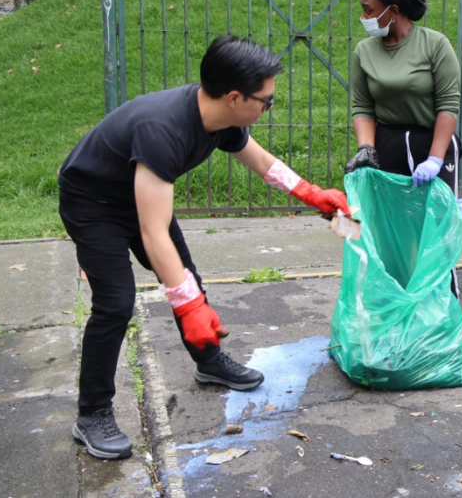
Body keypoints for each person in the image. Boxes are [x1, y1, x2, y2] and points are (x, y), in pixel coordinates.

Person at [58, 36, 350, 461]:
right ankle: (92, 414)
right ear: (234, 97)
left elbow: (264, 163)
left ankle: (208, 360)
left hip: (139, 197)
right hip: (94, 203)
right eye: (265, 100)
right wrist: (188, 304)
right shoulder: (163, 128)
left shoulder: (223, 119)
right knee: (115, 303)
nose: (269, 107)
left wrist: (312, 194)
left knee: (186, 276)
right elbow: (153, 230)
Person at [343, 0, 462, 295]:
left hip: (432, 142)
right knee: (390, 230)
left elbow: (449, 106)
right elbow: (362, 107)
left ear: (392, 10)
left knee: (435, 227)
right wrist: (367, 149)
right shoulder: (364, 52)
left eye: (369, 10)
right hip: (388, 144)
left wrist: (436, 159)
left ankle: (442, 306)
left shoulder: (434, 45)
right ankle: (396, 301)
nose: (364, 17)